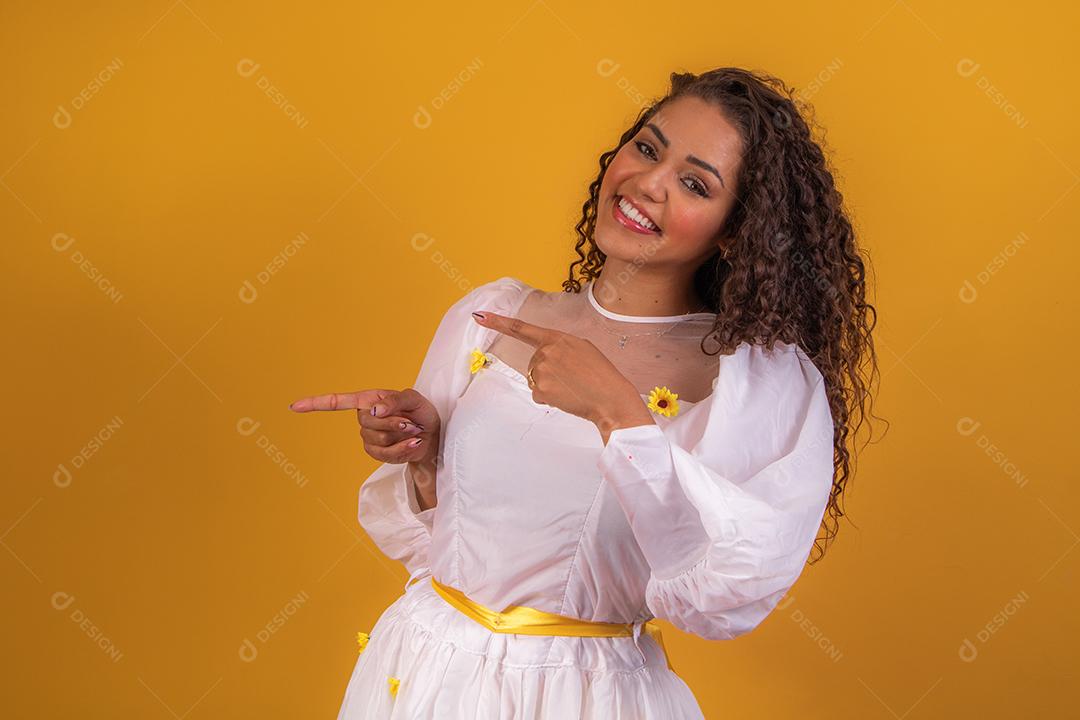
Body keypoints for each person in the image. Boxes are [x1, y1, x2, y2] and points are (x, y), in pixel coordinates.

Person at [290, 66, 878, 719]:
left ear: (736, 230)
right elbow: (448, 547)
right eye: (647, 147)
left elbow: (728, 592)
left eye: (693, 183)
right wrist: (424, 456)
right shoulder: (492, 316)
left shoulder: (755, 382)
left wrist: (619, 414)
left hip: (580, 698)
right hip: (423, 676)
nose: (649, 184)